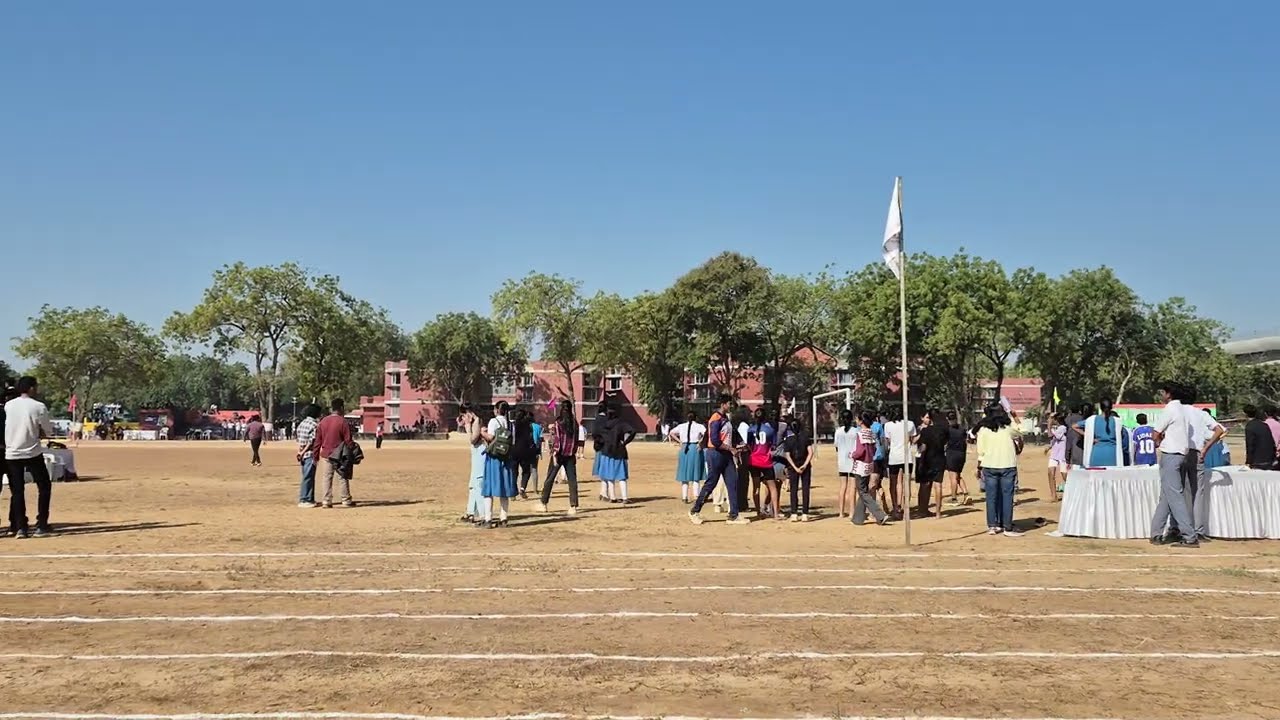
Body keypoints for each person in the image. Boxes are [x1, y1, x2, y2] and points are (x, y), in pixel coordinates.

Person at [3, 377, 54, 538]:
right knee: (44, 486)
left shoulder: (9, 405)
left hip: (12, 452)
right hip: (32, 452)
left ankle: (20, 527)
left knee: (17, 491)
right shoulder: (39, 406)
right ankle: (41, 524)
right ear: (31, 388)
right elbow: (47, 431)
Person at [1150, 383, 1199, 547]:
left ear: (1168, 394)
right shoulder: (1182, 409)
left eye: (1163, 392)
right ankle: (1156, 533)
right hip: (1181, 454)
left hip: (1171, 454)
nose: (1161, 395)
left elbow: (1155, 433)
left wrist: (1158, 442)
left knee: (1175, 497)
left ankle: (1189, 536)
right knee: (1167, 496)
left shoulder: (1170, 409)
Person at [690, 394, 749, 525]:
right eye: (729, 403)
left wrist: (741, 445)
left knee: (732, 483)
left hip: (726, 455)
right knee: (711, 483)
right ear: (723, 404)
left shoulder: (725, 419)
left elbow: (731, 435)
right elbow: (715, 440)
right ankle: (695, 511)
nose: (730, 406)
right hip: (716, 454)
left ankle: (734, 515)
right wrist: (730, 448)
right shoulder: (715, 419)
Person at [975, 406, 1022, 537]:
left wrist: (979, 467)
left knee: (991, 497)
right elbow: (1021, 431)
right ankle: (1007, 527)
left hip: (989, 465)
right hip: (1007, 465)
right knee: (1007, 497)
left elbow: (980, 451)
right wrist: (1014, 417)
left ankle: (992, 525)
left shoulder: (983, 430)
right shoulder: (1008, 429)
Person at [479, 400, 519, 527]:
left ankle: (488, 519)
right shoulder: (511, 424)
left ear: (496, 410)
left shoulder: (493, 421)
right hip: (507, 458)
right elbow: (513, 441)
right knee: (505, 488)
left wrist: (482, 432)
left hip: (494, 457)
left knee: (488, 488)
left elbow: (490, 437)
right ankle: (504, 518)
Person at [539, 403, 581, 514]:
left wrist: (554, 454)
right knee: (572, 481)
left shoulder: (558, 423)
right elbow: (576, 440)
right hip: (570, 455)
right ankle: (573, 506)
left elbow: (557, 440)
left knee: (550, 479)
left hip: (559, 455)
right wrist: (574, 452)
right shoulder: (575, 424)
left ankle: (544, 503)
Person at [851, 411, 889, 526]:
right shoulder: (871, 433)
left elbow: (859, 451)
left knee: (862, 492)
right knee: (863, 491)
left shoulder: (860, 434)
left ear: (861, 421)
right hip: (870, 464)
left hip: (860, 465)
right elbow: (874, 448)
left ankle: (880, 515)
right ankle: (858, 518)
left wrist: (852, 455)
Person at [315, 399, 354, 508]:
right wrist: (352, 451)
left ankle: (326, 500)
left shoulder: (323, 421)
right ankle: (345, 499)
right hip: (340, 454)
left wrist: (315, 455)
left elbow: (318, 440)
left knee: (327, 477)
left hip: (326, 453)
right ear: (341, 408)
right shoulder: (343, 422)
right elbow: (348, 440)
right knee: (342, 477)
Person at [883, 406, 918, 519]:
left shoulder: (888, 425)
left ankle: (896, 507)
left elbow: (888, 441)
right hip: (907, 457)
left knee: (893, 483)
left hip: (894, 457)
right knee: (906, 483)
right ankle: (905, 508)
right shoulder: (910, 424)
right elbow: (912, 439)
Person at [596, 407, 636, 503]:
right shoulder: (621, 423)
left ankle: (613, 497)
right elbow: (633, 431)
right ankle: (625, 497)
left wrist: (602, 444)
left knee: (609, 475)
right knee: (621, 476)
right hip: (619, 451)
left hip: (606, 451)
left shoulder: (604, 424)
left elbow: (597, 436)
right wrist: (625, 442)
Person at [746, 408, 780, 520]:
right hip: (766, 461)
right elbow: (773, 446)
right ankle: (776, 513)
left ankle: (758, 512)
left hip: (754, 460)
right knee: (772, 487)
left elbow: (749, 445)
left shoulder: (751, 430)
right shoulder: (770, 430)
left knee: (756, 487)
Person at [1074, 399, 1128, 466]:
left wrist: (1090, 437)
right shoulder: (1117, 421)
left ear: (1100, 407)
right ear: (1111, 407)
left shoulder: (1092, 420)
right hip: (1112, 454)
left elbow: (1074, 426)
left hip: (1096, 453)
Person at [915, 409, 948, 518]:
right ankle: (938, 512)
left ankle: (922, 510)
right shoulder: (944, 430)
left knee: (925, 485)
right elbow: (946, 444)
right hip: (940, 459)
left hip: (927, 460)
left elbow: (923, 447)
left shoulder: (926, 431)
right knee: (938, 485)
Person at [668, 412, 707, 503]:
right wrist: (701, 442)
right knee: (696, 474)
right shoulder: (699, 426)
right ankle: (696, 495)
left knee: (684, 474)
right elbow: (707, 434)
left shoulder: (681, 426)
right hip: (695, 448)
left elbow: (671, 433)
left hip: (684, 448)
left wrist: (680, 441)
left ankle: (684, 496)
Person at [783, 418, 814, 521]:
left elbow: (787, 455)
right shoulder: (805, 438)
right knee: (805, 489)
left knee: (793, 490)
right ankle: (805, 513)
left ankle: (794, 513)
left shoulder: (788, 440)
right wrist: (805, 465)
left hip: (793, 467)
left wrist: (794, 467)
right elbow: (810, 452)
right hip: (805, 466)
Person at [460, 404, 486, 524]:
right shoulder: (476, 421)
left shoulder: (477, 421)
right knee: (473, 484)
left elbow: (473, 439)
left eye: (465, 414)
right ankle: (471, 511)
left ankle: (482, 514)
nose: (464, 417)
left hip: (480, 453)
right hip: (476, 453)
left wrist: (467, 427)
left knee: (478, 483)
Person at [295, 404, 322, 508]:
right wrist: (303, 452)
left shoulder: (302, 424)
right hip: (309, 454)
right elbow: (311, 441)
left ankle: (309, 498)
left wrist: (300, 452)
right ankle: (305, 499)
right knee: (308, 477)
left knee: (307, 476)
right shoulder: (314, 425)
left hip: (302, 454)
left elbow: (300, 440)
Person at [832, 410, 858, 519]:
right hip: (853, 461)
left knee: (843, 486)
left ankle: (841, 512)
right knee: (853, 487)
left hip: (842, 461)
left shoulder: (838, 431)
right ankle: (852, 512)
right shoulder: (856, 431)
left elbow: (836, 446)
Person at [511, 409, 539, 500]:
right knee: (526, 471)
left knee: (514, 472)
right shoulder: (528, 426)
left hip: (514, 451)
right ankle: (522, 488)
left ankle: (513, 492)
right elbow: (530, 439)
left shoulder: (513, 425)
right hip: (525, 451)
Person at [944, 411, 970, 505]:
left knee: (953, 477)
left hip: (952, 454)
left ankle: (954, 498)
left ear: (947, 419)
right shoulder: (962, 429)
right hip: (962, 454)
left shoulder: (948, 430)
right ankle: (966, 494)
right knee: (958, 476)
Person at [1243, 405, 1278, 470]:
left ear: (1245, 414)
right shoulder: (1264, 425)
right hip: (1270, 460)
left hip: (1258, 462)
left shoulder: (1250, 427)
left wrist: (1248, 461)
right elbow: (1272, 442)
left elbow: (1250, 445)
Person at [1045, 413, 1068, 501]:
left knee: (1064, 475)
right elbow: (1053, 439)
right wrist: (1049, 447)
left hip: (1062, 455)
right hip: (1054, 454)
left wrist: (1049, 426)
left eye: (1052, 418)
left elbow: (1052, 435)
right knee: (1050, 473)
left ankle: (1073, 492)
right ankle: (1054, 496)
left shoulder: (1063, 428)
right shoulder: (1057, 429)